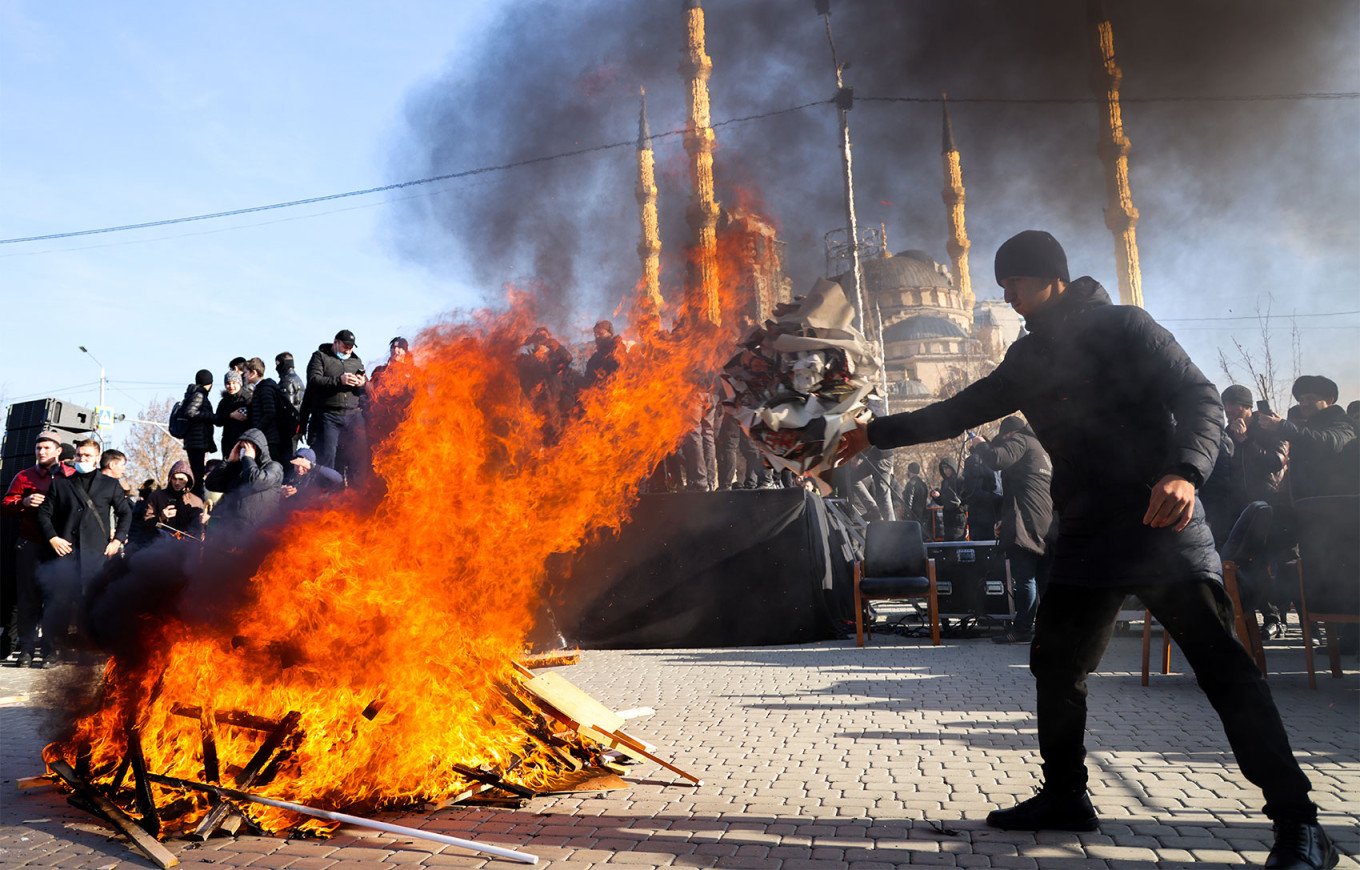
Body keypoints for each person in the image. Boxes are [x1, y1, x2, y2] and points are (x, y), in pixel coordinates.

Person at [837, 229, 1336, 869]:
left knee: (1224, 672)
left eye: (1015, 282)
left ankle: (1299, 823)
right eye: (1002, 286)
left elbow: (1201, 398)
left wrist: (1186, 470)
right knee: (1054, 665)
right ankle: (1066, 796)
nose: (1007, 296)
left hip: (1162, 522)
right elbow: (957, 412)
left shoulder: (1127, 327)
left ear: (1053, 278)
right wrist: (873, 432)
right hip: (1085, 532)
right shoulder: (1027, 358)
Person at [35, 438, 132, 661]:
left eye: (88, 455)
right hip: (65, 553)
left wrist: (117, 540)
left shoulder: (110, 485)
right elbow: (43, 514)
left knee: (92, 603)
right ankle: (52, 651)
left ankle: (91, 651)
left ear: (98, 459)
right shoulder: (60, 484)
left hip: (96, 555)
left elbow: (125, 513)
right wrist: (53, 538)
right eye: (79, 455)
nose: (82, 459)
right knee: (58, 602)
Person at [968, 417, 1054, 644]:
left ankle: (1022, 629)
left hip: (1025, 524)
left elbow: (996, 459)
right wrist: (1005, 521)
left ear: (1008, 434)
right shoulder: (1041, 449)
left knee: (1025, 578)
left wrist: (980, 445)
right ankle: (1050, 630)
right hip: (1044, 521)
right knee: (1044, 579)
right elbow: (1025, 490)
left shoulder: (1020, 440)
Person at [1, 431, 73, 667]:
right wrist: (22, 502)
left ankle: (52, 650)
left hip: (59, 546)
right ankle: (26, 650)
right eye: (38, 448)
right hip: (30, 543)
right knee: (27, 599)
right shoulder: (24, 476)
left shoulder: (70, 476)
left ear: (58, 451)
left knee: (56, 598)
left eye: (47, 448)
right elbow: (5, 505)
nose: (41, 452)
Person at [305, 329, 370, 484]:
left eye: (351, 346)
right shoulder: (320, 357)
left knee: (359, 454)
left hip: (353, 415)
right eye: (345, 345)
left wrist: (363, 383)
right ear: (336, 343)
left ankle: (357, 492)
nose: (348, 349)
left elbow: (365, 388)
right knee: (329, 456)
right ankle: (327, 492)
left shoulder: (356, 361)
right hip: (329, 415)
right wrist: (339, 380)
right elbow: (314, 380)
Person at [204, 429, 284, 538]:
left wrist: (248, 458)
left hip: (259, 535)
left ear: (258, 449)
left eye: (246, 448)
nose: (243, 451)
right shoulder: (237, 470)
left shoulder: (273, 467)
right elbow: (211, 484)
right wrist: (228, 461)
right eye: (241, 448)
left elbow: (255, 481)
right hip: (232, 534)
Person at [137, 460, 205, 544]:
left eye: (181, 479)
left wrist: (203, 522)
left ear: (188, 480)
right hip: (159, 546)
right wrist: (161, 517)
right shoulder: (156, 497)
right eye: (174, 478)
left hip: (187, 548)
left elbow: (199, 531)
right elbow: (146, 524)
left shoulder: (196, 501)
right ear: (170, 478)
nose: (177, 482)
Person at [367, 336, 415, 447]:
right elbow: (370, 391)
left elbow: (420, 395)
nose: (396, 351)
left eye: (400, 348)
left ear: (405, 351)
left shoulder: (413, 372)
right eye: (393, 347)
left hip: (404, 421)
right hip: (381, 421)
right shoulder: (380, 370)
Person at [244, 356, 293, 462]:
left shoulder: (265, 389)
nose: (244, 375)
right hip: (266, 437)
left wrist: (257, 429)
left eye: (246, 372)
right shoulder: (261, 389)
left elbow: (270, 412)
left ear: (253, 373)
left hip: (269, 438)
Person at [177, 370, 217, 497]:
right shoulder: (199, 395)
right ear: (209, 384)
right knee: (197, 474)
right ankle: (196, 499)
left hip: (195, 440)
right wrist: (210, 416)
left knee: (197, 472)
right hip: (197, 441)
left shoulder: (193, 393)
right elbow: (190, 412)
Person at [960, 439, 1002, 540]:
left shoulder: (982, 461)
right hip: (985, 518)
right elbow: (975, 492)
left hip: (985, 518)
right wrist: (1000, 499)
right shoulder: (977, 461)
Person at [280, 447, 345, 507]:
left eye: (303, 466)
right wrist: (281, 492)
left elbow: (338, 479)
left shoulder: (318, 477)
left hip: (314, 512)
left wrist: (314, 466)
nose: (299, 469)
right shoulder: (289, 477)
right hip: (292, 512)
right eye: (297, 465)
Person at [929, 457, 966, 540]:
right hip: (947, 519)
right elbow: (942, 501)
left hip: (958, 518)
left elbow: (964, 499)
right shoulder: (945, 482)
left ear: (952, 468)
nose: (945, 471)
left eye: (947, 468)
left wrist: (961, 509)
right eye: (943, 469)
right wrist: (936, 497)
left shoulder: (960, 481)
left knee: (956, 544)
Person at [216, 370, 250, 457]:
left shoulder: (248, 399)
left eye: (234, 383)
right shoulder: (224, 401)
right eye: (228, 383)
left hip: (245, 440)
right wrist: (230, 415)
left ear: (240, 383)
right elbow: (217, 420)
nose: (231, 386)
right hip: (228, 441)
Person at [584, 320, 625, 386]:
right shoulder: (596, 356)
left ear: (609, 334)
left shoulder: (617, 349)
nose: (597, 336)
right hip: (594, 391)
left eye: (600, 333)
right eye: (595, 333)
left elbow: (619, 370)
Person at [900, 462, 930, 526]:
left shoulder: (911, 484)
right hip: (922, 514)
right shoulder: (923, 484)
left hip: (913, 515)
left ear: (910, 471)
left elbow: (909, 500)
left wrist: (906, 514)